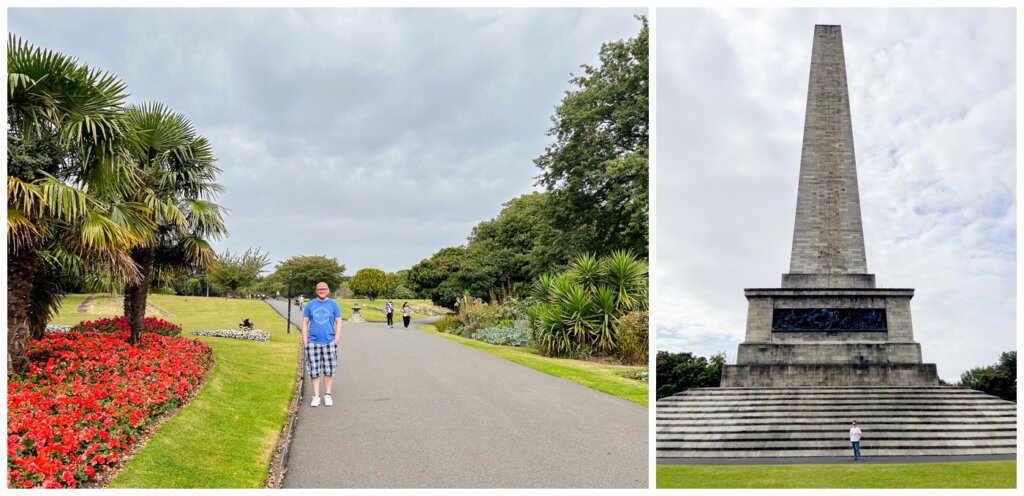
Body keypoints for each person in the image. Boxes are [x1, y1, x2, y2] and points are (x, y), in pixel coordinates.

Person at [302, 282, 342, 407]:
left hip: (329, 342)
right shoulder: (310, 304)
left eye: (324, 289)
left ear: (328, 290)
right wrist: (304, 340)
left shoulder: (333, 304)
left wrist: (336, 339)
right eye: (319, 289)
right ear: (316, 291)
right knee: (314, 370)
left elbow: (339, 322)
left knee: (329, 370)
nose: (322, 291)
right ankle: (316, 396)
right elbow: (305, 322)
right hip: (312, 342)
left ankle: (327, 395)